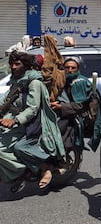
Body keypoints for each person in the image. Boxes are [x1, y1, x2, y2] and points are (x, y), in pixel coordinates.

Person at [0, 51, 65, 192]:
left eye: (17, 64)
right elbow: (5, 100)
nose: (13, 67)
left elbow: (33, 109)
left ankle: (30, 170)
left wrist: (15, 120)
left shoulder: (34, 83)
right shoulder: (16, 81)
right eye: (12, 64)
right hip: (11, 120)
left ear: (27, 66)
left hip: (29, 124)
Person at [50, 56, 101, 152]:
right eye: (67, 67)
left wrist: (61, 106)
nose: (69, 70)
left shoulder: (80, 83)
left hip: (78, 116)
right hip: (66, 112)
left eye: (73, 68)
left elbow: (80, 105)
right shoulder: (64, 80)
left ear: (77, 69)